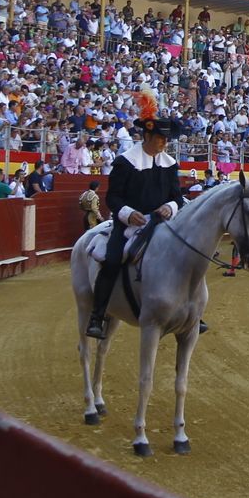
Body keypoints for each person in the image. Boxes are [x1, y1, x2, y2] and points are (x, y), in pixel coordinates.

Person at [85, 97, 185, 338]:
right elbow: (113, 198)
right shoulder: (125, 162)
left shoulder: (170, 164)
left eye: (166, 139)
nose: (164, 143)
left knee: (185, 257)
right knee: (112, 259)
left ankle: (189, 312)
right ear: (146, 136)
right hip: (129, 224)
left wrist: (169, 207)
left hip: (162, 223)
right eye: (160, 138)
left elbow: (178, 197)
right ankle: (97, 316)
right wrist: (129, 214)